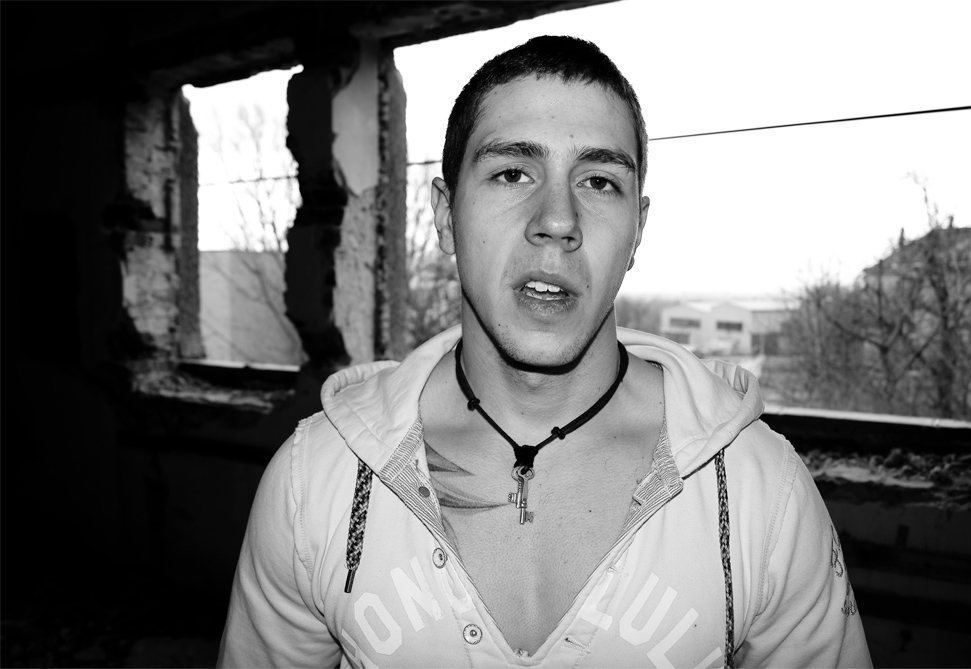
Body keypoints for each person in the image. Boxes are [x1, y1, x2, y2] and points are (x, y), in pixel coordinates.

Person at [218, 36, 872, 668]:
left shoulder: (760, 492)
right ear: (445, 215)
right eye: (511, 172)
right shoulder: (317, 482)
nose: (557, 220)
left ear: (638, 230)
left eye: (599, 182)